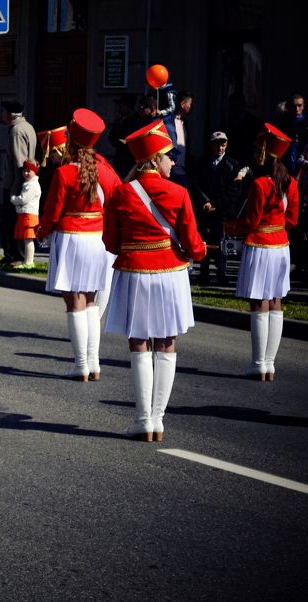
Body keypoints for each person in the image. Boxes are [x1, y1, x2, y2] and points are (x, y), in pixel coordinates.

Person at [104, 120, 206, 441]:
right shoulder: (179, 192)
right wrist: (198, 253)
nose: (173, 162)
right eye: (169, 156)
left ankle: (143, 419)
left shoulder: (121, 193)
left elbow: (110, 242)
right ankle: (158, 420)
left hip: (134, 270)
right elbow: (193, 243)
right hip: (170, 272)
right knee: (166, 341)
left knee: (138, 342)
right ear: (154, 159)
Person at [37, 108, 120, 382]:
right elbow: (118, 199)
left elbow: (52, 211)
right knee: (92, 302)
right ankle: (94, 363)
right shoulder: (105, 170)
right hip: (97, 240)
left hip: (72, 239)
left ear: (70, 140)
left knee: (75, 302)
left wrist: (41, 231)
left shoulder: (63, 173)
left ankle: (81, 364)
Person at [234, 124, 299, 382]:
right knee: (275, 300)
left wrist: (230, 227)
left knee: (258, 301)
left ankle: (258, 363)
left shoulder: (259, 184)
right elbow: (292, 219)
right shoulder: (290, 182)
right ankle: (269, 364)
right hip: (281, 245)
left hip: (260, 244)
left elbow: (251, 221)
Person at [190, 131, 242, 284]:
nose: (220, 147)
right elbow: (195, 185)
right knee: (205, 241)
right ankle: (204, 272)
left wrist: (217, 206)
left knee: (223, 243)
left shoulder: (233, 165)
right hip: (205, 209)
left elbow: (234, 190)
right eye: (217, 144)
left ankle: (222, 273)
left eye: (223, 144)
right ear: (211, 145)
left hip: (223, 211)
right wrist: (205, 201)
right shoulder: (201, 163)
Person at [1, 101, 36, 265]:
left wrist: (14, 190)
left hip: (16, 183)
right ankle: (18, 255)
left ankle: (14, 256)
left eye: (3, 112)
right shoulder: (28, 126)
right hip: (24, 181)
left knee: (11, 222)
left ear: (9, 115)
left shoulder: (16, 131)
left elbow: (19, 162)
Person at [10, 160, 41, 267]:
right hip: (27, 214)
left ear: (35, 172)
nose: (26, 173)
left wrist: (14, 199)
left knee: (28, 239)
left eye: (29, 171)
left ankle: (29, 262)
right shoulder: (29, 184)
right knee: (26, 239)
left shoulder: (32, 185)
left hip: (29, 215)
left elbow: (24, 199)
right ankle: (27, 261)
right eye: (24, 171)